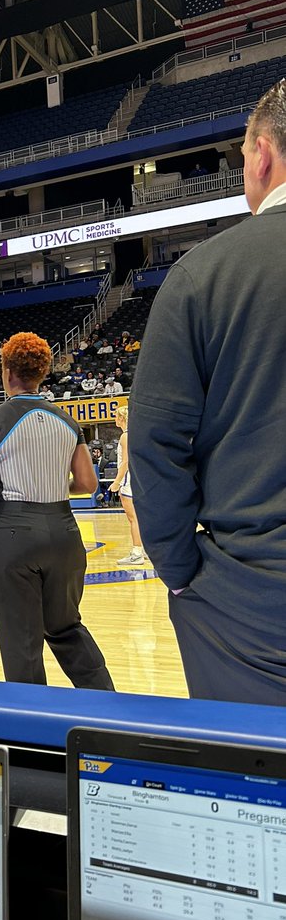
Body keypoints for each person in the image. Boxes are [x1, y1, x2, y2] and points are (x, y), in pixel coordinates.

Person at [129, 80, 286, 704]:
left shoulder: (202, 275)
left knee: (252, 794)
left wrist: (182, 572)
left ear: (262, 155)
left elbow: (156, 444)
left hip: (249, 604)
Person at [0, 331, 114, 690]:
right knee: (65, 627)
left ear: (7, 371)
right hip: (65, 533)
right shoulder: (67, 420)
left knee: (21, 644)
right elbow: (89, 484)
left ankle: (31, 736)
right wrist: (54, 487)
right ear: (41, 373)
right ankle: (108, 709)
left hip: (14, 535)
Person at [108, 403, 146, 567]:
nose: (114, 419)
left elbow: (125, 462)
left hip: (128, 480)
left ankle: (137, 553)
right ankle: (143, 550)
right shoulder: (135, 434)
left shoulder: (125, 436)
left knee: (133, 519)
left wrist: (117, 482)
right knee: (139, 518)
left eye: (116, 416)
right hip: (136, 479)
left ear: (122, 418)